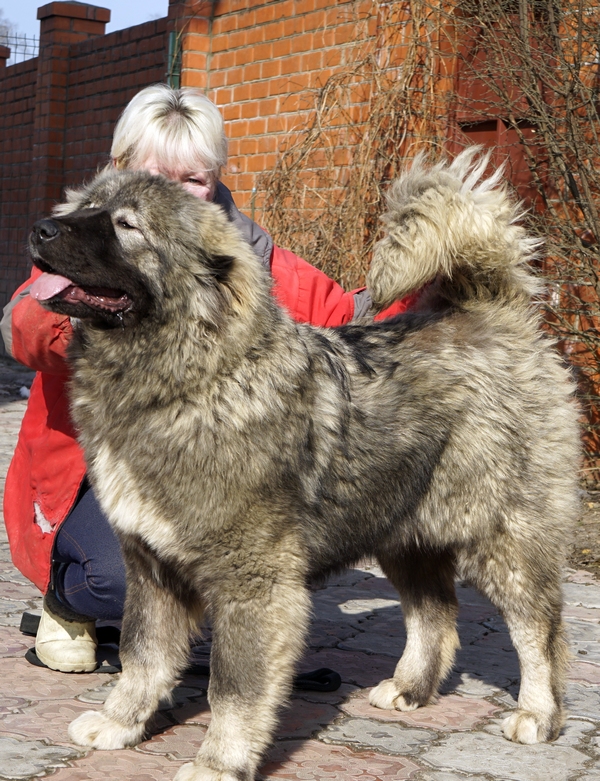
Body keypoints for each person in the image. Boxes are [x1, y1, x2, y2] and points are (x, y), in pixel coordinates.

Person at [1, 84, 414, 673]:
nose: (172, 192)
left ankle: (198, 626)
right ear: (120, 167)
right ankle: (67, 599)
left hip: (204, 470)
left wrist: (426, 291)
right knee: (117, 578)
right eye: (153, 173)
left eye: (192, 179)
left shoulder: (247, 259)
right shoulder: (87, 236)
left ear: (216, 178)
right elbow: (21, 328)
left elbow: (347, 322)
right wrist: (93, 310)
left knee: (239, 556)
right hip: (89, 472)